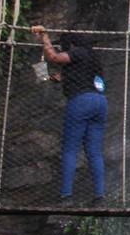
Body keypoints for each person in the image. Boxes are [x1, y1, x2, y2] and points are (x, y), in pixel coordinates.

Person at [33, 24, 107, 203]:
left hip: (81, 102)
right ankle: (99, 196)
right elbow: (58, 77)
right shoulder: (92, 59)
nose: (63, 49)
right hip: (100, 103)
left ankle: (66, 196)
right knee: (94, 152)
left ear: (71, 44)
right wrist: (42, 72)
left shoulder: (78, 51)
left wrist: (45, 38)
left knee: (70, 150)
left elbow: (54, 57)